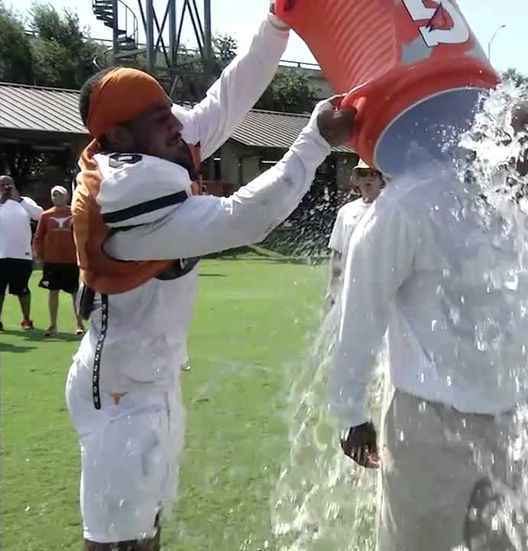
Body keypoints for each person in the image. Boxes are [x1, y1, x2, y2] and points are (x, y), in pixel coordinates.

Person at [63, 7, 355, 549]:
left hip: (154, 379)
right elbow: (246, 217)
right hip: (123, 392)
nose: (176, 121)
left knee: (147, 534)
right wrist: (313, 141)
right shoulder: (126, 191)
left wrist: (276, 22)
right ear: (121, 133)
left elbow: (230, 93)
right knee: (117, 545)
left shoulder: (152, 140)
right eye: (159, 116)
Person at [327, 101, 528, 550]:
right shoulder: (413, 204)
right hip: (428, 419)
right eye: (525, 150)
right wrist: (351, 412)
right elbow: (361, 307)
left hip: (514, 421)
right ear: (490, 147)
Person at [327, 159, 384, 300]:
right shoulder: (346, 211)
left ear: (381, 180)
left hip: (382, 286)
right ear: (357, 180)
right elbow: (337, 253)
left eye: (373, 173)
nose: (368, 178)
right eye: (363, 174)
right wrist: (333, 288)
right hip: (350, 286)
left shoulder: (392, 210)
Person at [33, 185, 85, 336]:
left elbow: (83, 234)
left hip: (71, 260)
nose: (57, 198)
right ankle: (53, 325)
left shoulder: (75, 212)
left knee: (75, 293)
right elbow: (39, 237)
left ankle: (79, 324)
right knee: (53, 292)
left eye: (60, 195)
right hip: (52, 260)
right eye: (54, 195)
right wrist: (37, 253)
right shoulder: (46, 215)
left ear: (66, 196)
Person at [0, 175, 42, 330]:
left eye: (8, 184)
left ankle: (26, 319)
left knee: (22, 290)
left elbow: (40, 215)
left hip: (21, 255)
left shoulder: (25, 201)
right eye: (2, 185)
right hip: (1, 255)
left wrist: (20, 200)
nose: (5, 188)